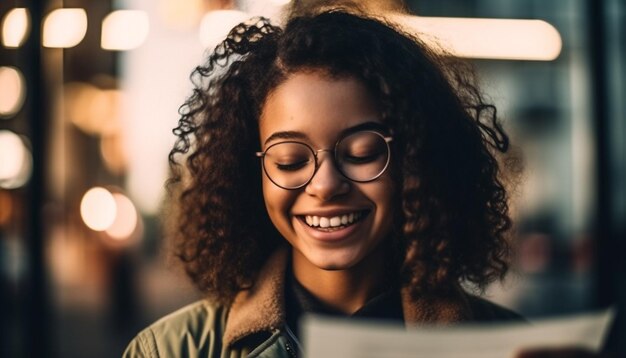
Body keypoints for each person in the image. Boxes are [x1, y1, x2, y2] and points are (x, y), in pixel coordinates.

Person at [123, 4, 599, 358]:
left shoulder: (501, 346)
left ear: (415, 162)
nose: (325, 184)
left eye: (363, 153)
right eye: (289, 160)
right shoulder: (170, 350)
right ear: (254, 175)